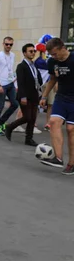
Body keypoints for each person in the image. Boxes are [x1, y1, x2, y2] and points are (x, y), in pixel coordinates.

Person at [39, 37, 74, 175]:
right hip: (61, 98)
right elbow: (53, 79)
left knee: (71, 130)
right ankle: (58, 158)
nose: (53, 57)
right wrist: (44, 96)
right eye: (51, 55)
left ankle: (71, 164)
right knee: (53, 122)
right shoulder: (52, 62)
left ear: (63, 48)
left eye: (54, 53)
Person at [3, 44, 43, 146]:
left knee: (33, 118)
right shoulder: (21, 66)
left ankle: (29, 139)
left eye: (34, 51)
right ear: (24, 53)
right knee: (27, 117)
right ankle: (10, 127)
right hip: (25, 96)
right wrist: (23, 96)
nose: (33, 53)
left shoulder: (34, 66)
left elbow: (40, 80)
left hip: (34, 95)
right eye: (30, 51)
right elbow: (20, 83)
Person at [0, 37, 18, 135]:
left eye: (11, 44)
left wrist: (14, 80)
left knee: (15, 104)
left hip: (10, 84)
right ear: (3, 44)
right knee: (0, 106)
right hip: (1, 85)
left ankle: (1, 122)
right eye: (7, 44)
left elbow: (10, 70)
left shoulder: (13, 55)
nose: (8, 46)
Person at [35, 43, 56, 130]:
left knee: (50, 104)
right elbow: (49, 66)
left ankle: (48, 123)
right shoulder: (39, 61)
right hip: (42, 84)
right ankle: (35, 122)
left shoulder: (46, 60)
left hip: (48, 83)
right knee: (39, 104)